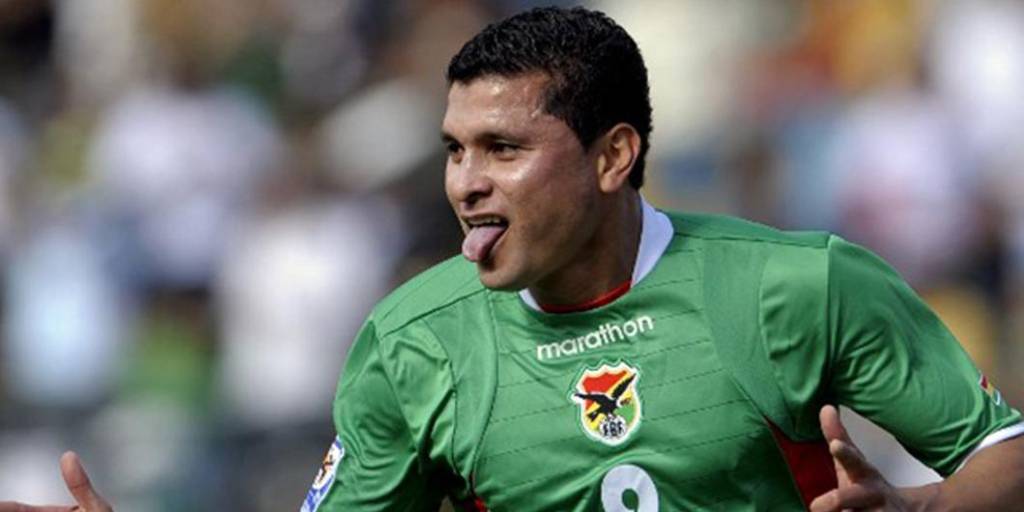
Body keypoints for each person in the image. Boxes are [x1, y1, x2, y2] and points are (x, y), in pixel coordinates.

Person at [5, 6, 1024, 512]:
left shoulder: (798, 286)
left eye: (502, 149)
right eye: (454, 150)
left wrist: (925, 507)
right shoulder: (414, 342)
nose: (465, 182)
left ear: (613, 156)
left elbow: (1004, 452)